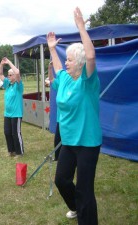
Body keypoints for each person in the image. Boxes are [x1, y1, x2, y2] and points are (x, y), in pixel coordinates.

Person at [47, 7, 102, 225]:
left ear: (78, 62)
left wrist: (81, 27)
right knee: (62, 180)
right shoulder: (66, 78)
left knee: (84, 189)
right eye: (66, 59)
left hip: (88, 142)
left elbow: (91, 55)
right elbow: (59, 68)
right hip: (68, 140)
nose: (66, 62)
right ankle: (77, 207)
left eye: (69, 59)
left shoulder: (88, 81)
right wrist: (53, 49)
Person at [0, 57, 24, 158]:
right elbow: (0, 74)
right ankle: (11, 151)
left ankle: (19, 152)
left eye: (10, 75)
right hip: (7, 113)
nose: (8, 76)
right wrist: (1, 64)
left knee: (15, 133)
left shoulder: (18, 85)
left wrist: (8, 62)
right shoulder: (7, 84)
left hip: (16, 113)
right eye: (8, 75)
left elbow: (17, 72)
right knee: (7, 132)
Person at [47, 62, 61, 161]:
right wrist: (50, 68)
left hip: (70, 119)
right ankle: (57, 157)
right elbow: (51, 79)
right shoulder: (61, 82)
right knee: (57, 139)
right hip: (61, 119)